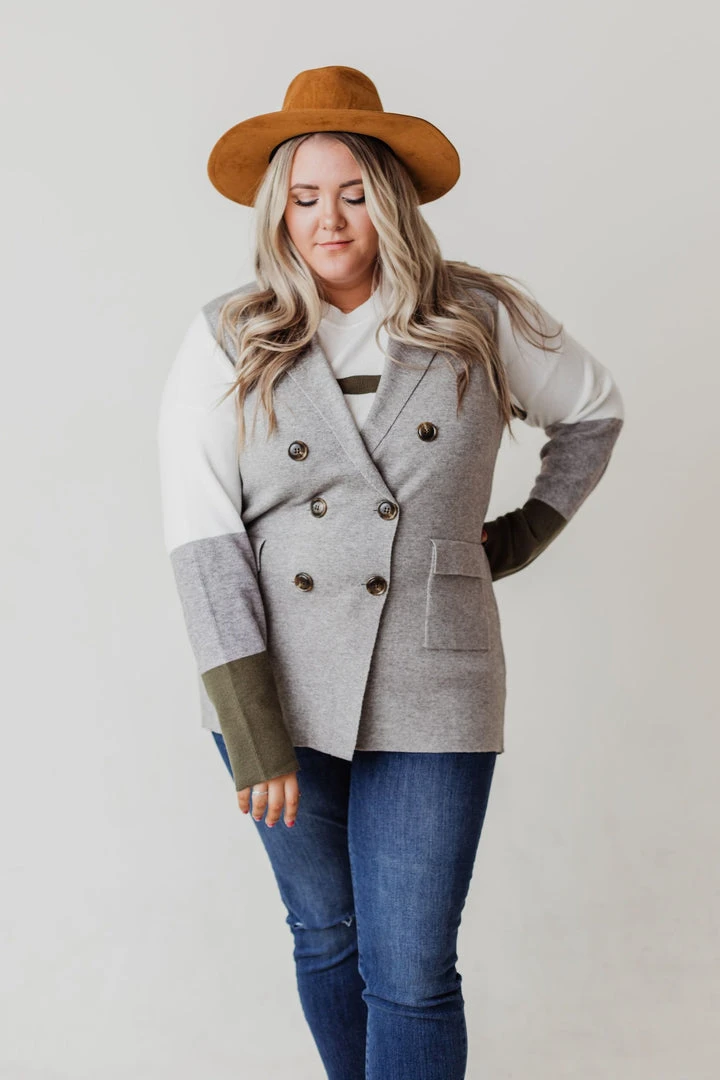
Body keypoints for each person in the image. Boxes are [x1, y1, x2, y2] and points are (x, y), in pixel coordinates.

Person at [156, 65, 625, 1080]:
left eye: (354, 193)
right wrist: (252, 730)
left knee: (412, 971)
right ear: (278, 208)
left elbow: (593, 410)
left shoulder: (479, 316)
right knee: (327, 935)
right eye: (305, 196)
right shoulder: (227, 336)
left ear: (393, 199)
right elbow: (202, 540)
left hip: (437, 677)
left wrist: (518, 536)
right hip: (276, 685)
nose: (328, 220)